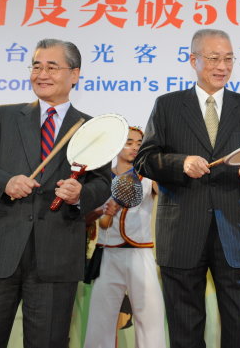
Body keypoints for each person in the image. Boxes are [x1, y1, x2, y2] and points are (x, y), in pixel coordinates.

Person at [0, 38, 111, 348]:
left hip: (57, 255)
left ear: (74, 74)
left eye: (52, 67)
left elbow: (102, 183)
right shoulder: (3, 116)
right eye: (37, 66)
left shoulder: (91, 128)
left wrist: (79, 193)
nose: (42, 74)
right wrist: (5, 182)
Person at [134, 28, 240, 348]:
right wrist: (180, 163)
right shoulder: (168, 105)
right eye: (213, 58)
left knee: (238, 326)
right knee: (185, 327)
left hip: (235, 231)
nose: (222, 66)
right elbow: (145, 160)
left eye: (228, 59)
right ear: (193, 60)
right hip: (182, 231)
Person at [83, 126, 166, 348]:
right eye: (129, 142)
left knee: (150, 317)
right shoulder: (101, 179)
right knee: (100, 318)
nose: (134, 147)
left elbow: (169, 195)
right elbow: (86, 217)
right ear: (116, 145)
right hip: (108, 254)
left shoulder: (149, 177)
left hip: (141, 253)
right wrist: (102, 210)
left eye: (139, 143)